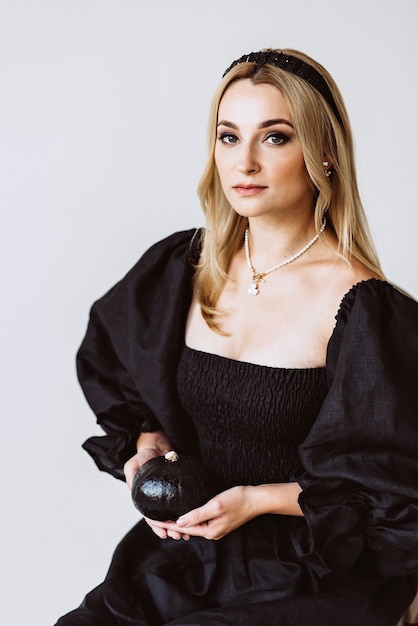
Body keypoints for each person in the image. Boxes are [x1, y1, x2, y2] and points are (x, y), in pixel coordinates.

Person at [55, 49, 418, 625]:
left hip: (306, 574)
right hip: (183, 559)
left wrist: (258, 499)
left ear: (324, 153)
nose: (243, 161)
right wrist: (145, 444)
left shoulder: (367, 311)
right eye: (228, 136)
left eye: (275, 137)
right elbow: (120, 368)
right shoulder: (182, 267)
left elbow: (396, 493)